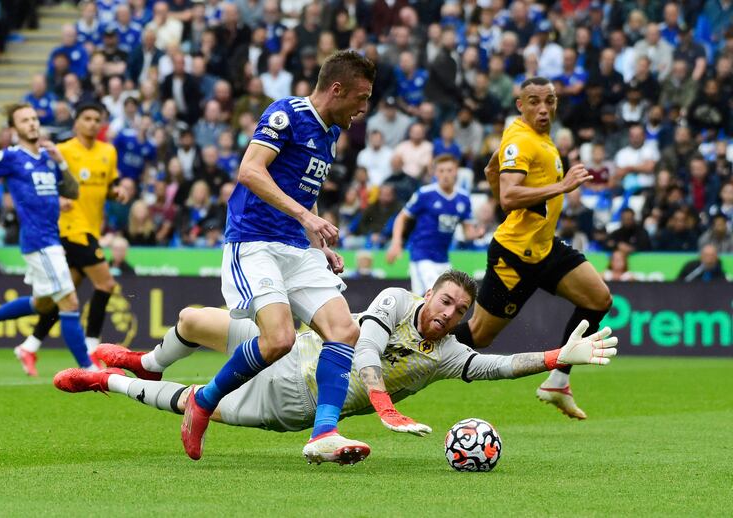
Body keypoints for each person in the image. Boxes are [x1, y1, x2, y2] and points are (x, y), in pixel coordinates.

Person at [54, 271, 617, 440]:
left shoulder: (447, 352)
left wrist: (555, 356)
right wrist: (385, 406)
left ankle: (106, 383)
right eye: (445, 301)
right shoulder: (396, 300)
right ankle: (145, 361)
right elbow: (364, 349)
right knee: (191, 320)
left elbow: (492, 367)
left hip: (294, 402)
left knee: (189, 402)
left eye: (460, 311)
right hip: (298, 348)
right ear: (429, 295)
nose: (448, 314)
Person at [165, 50, 375, 464]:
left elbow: (302, 195)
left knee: (344, 330)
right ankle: (203, 401)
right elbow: (250, 171)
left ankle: (324, 433)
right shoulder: (286, 114)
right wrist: (304, 218)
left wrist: (319, 240)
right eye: (361, 97)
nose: (364, 108)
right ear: (336, 89)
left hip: (296, 245)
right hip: (254, 241)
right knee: (278, 340)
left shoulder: (330, 134)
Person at [453, 77, 613, 420]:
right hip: (514, 254)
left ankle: (557, 381)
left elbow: (493, 168)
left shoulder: (536, 138)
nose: (544, 108)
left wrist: (499, 177)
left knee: (598, 299)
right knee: (478, 336)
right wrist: (564, 185)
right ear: (520, 105)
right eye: (535, 101)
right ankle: (408, 346)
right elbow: (509, 196)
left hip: (544, 246)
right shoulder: (521, 139)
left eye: (550, 101)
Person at [0, 104, 95, 372]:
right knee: (69, 301)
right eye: (25, 121)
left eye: (34, 119)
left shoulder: (48, 156)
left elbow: (73, 192)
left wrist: (61, 161)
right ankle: (90, 371)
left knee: (42, 304)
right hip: (39, 241)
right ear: (14, 129)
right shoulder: (9, 157)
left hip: (51, 238)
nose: (32, 124)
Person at [14, 102, 132, 377]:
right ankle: (91, 348)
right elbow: (39, 183)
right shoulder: (63, 150)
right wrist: (59, 198)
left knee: (63, 294)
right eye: (87, 118)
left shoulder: (108, 152)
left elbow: (108, 187)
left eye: (96, 119)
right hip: (68, 229)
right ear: (76, 122)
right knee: (106, 283)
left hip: (90, 229)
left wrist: (118, 192)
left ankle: (29, 345)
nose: (92, 123)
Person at [386, 154, 473, 295]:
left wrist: (477, 234)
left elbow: (468, 232)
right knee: (438, 293)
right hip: (421, 255)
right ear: (435, 173)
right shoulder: (425, 194)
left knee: (421, 299)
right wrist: (396, 242)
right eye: (441, 170)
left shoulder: (464, 199)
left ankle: (405, 308)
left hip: (443, 258)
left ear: (456, 171)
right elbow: (402, 217)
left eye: (449, 170)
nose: (445, 175)